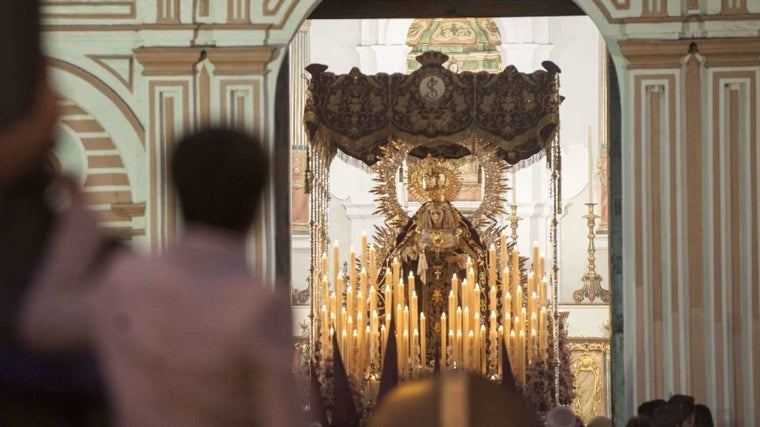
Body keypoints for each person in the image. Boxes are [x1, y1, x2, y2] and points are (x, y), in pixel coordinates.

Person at [21, 128, 303, 426]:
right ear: (257, 202)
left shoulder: (127, 280)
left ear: (176, 191)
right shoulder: (261, 305)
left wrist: (80, 220)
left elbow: (40, 323)